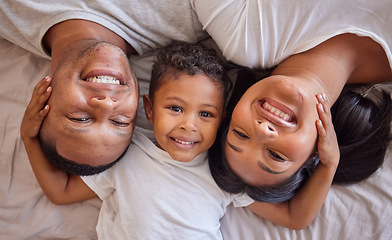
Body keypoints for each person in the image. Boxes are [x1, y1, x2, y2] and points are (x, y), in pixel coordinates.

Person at [21, 41, 340, 238]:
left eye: (205, 114)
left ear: (223, 118)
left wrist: (329, 163)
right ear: (148, 108)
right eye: (175, 108)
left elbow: (296, 218)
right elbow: (60, 192)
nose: (188, 126)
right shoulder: (125, 157)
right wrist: (29, 136)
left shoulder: (224, 174)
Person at [0, 0, 208, 174]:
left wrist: (28, 137)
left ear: (42, 102)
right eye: (119, 121)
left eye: (80, 118)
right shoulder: (193, 19)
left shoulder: (9, 13)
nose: (107, 104)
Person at [208, 33, 392, 203]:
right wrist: (329, 165)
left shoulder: (244, 34)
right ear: (315, 153)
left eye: (241, 134)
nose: (263, 130)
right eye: (275, 155)